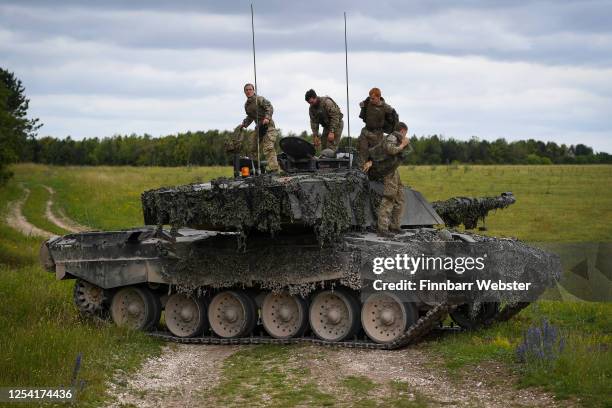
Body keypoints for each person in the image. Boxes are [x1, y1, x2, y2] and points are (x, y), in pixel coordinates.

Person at [363, 122, 410, 237]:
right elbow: (390, 150)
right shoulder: (392, 137)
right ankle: (383, 229)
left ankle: (395, 226)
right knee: (389, 198)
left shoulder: (393, 137)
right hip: (388, 171)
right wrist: (403, 145)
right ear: (403, 131)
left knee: (400, 198)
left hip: (393, 169)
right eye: (405, 133)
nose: (405, 136)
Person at [238, 83, 279, 172]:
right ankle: (256, 169)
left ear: (253, 90)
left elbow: (269, 107)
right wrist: (244, 124)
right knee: (252, 147)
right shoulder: (247, 105)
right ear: (244, 92)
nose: (248, 91)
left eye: (250, 89)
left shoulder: (259, 99)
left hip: (268, 126)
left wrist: (267, 118)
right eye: (246, 90)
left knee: (268, 148)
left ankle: (274, 170)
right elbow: (250, 116)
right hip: (259, 128)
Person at [356, 87, 398, 169]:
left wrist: (394, 134)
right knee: (362, 154)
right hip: (366, 131)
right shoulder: (367, 102)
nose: (371, 100)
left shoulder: (386, 108)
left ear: (379, 97)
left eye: (373, 98)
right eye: (370, 98)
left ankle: (374, 177)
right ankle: (360, 175)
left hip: (377, 134)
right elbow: (363, 110)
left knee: (376, 156)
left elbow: (395, 119)